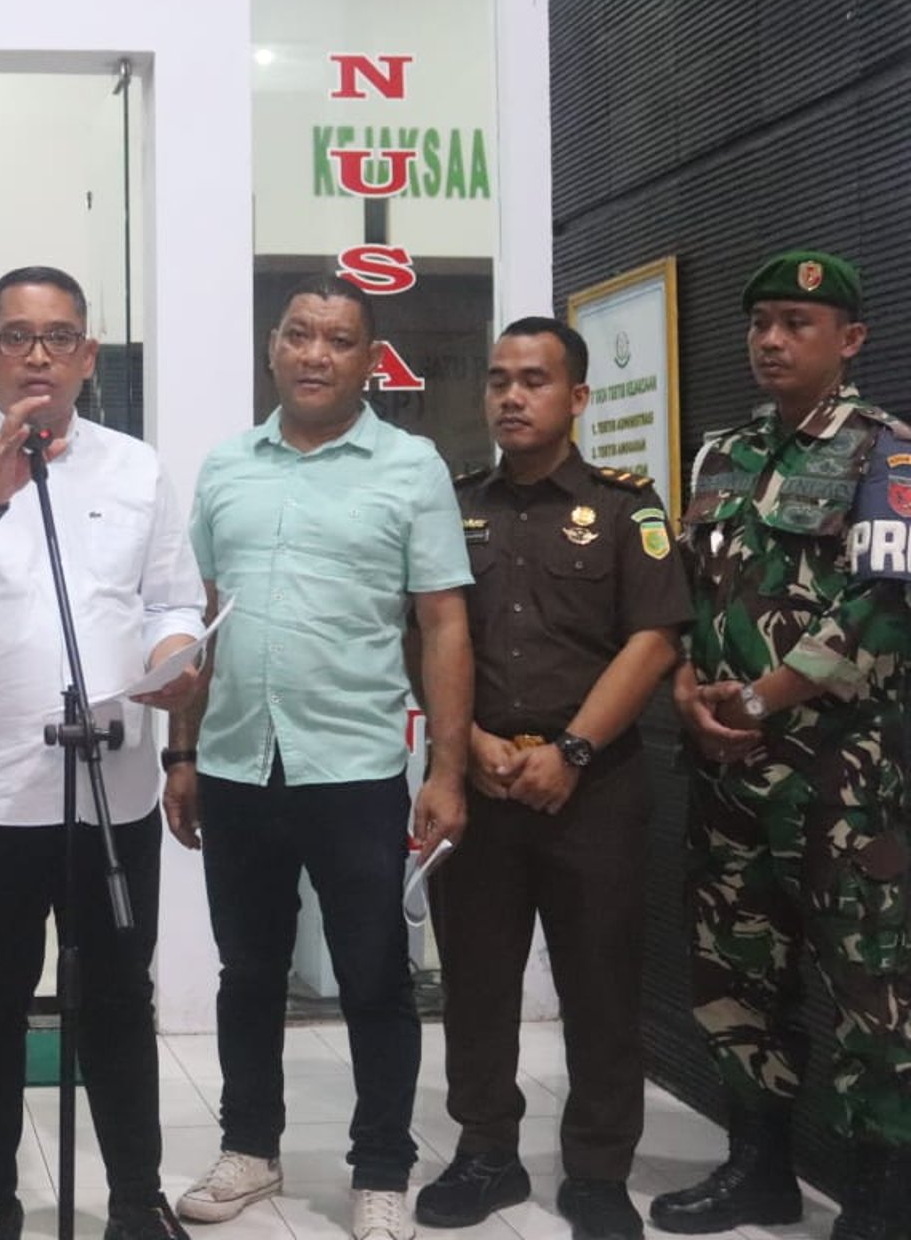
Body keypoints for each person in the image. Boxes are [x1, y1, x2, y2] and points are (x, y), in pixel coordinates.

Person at [0, 265, 207, 1240]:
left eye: (59, 337)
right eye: (16, 336)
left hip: (116, 785)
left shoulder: (135, 466)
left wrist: (175, 657)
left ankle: (136, 1197)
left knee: (116, 994)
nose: (38, 355)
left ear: (88, 355)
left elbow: (169, 600)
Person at [167, 276, 473, 1240]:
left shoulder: (411, 466)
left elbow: (443, 624)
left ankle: (381, 1166)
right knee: (246, 973)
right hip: (234, 764)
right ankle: (250, 1151)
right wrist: (180, 751)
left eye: (338, 340)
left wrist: (449, 771)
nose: (314, 353)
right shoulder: (224, 468)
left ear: (367, 359)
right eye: (298, 334)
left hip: (356, 769)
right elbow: (197, 622)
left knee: (374, 977)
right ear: (272, 346)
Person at [650, 250, 911, 1240]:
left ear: (849, 339)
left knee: (870, 989)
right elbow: (682, 593)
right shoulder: (721, 455)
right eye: (761, 319)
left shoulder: (888, 454)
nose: (770, 338)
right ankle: (757, 1167)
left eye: (798, 321)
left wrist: (760, 695)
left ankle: (884, 1196)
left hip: (845, 782)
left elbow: (881, 610)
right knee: (735, 973)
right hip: (726, 775)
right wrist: (682, 684)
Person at [411, 318, 688, 1240]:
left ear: (578, 398)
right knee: (477, 983)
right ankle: (486, 1152)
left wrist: (568, 751)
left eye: (534, 380)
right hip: (479, 779)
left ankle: (599, 1172)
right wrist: (470, 743)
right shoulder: (453, 503)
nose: (511, 397)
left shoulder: (625, 506)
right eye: (497, 380)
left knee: (602, 986)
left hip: (593, 787)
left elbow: (654, 639)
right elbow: (425, 635)